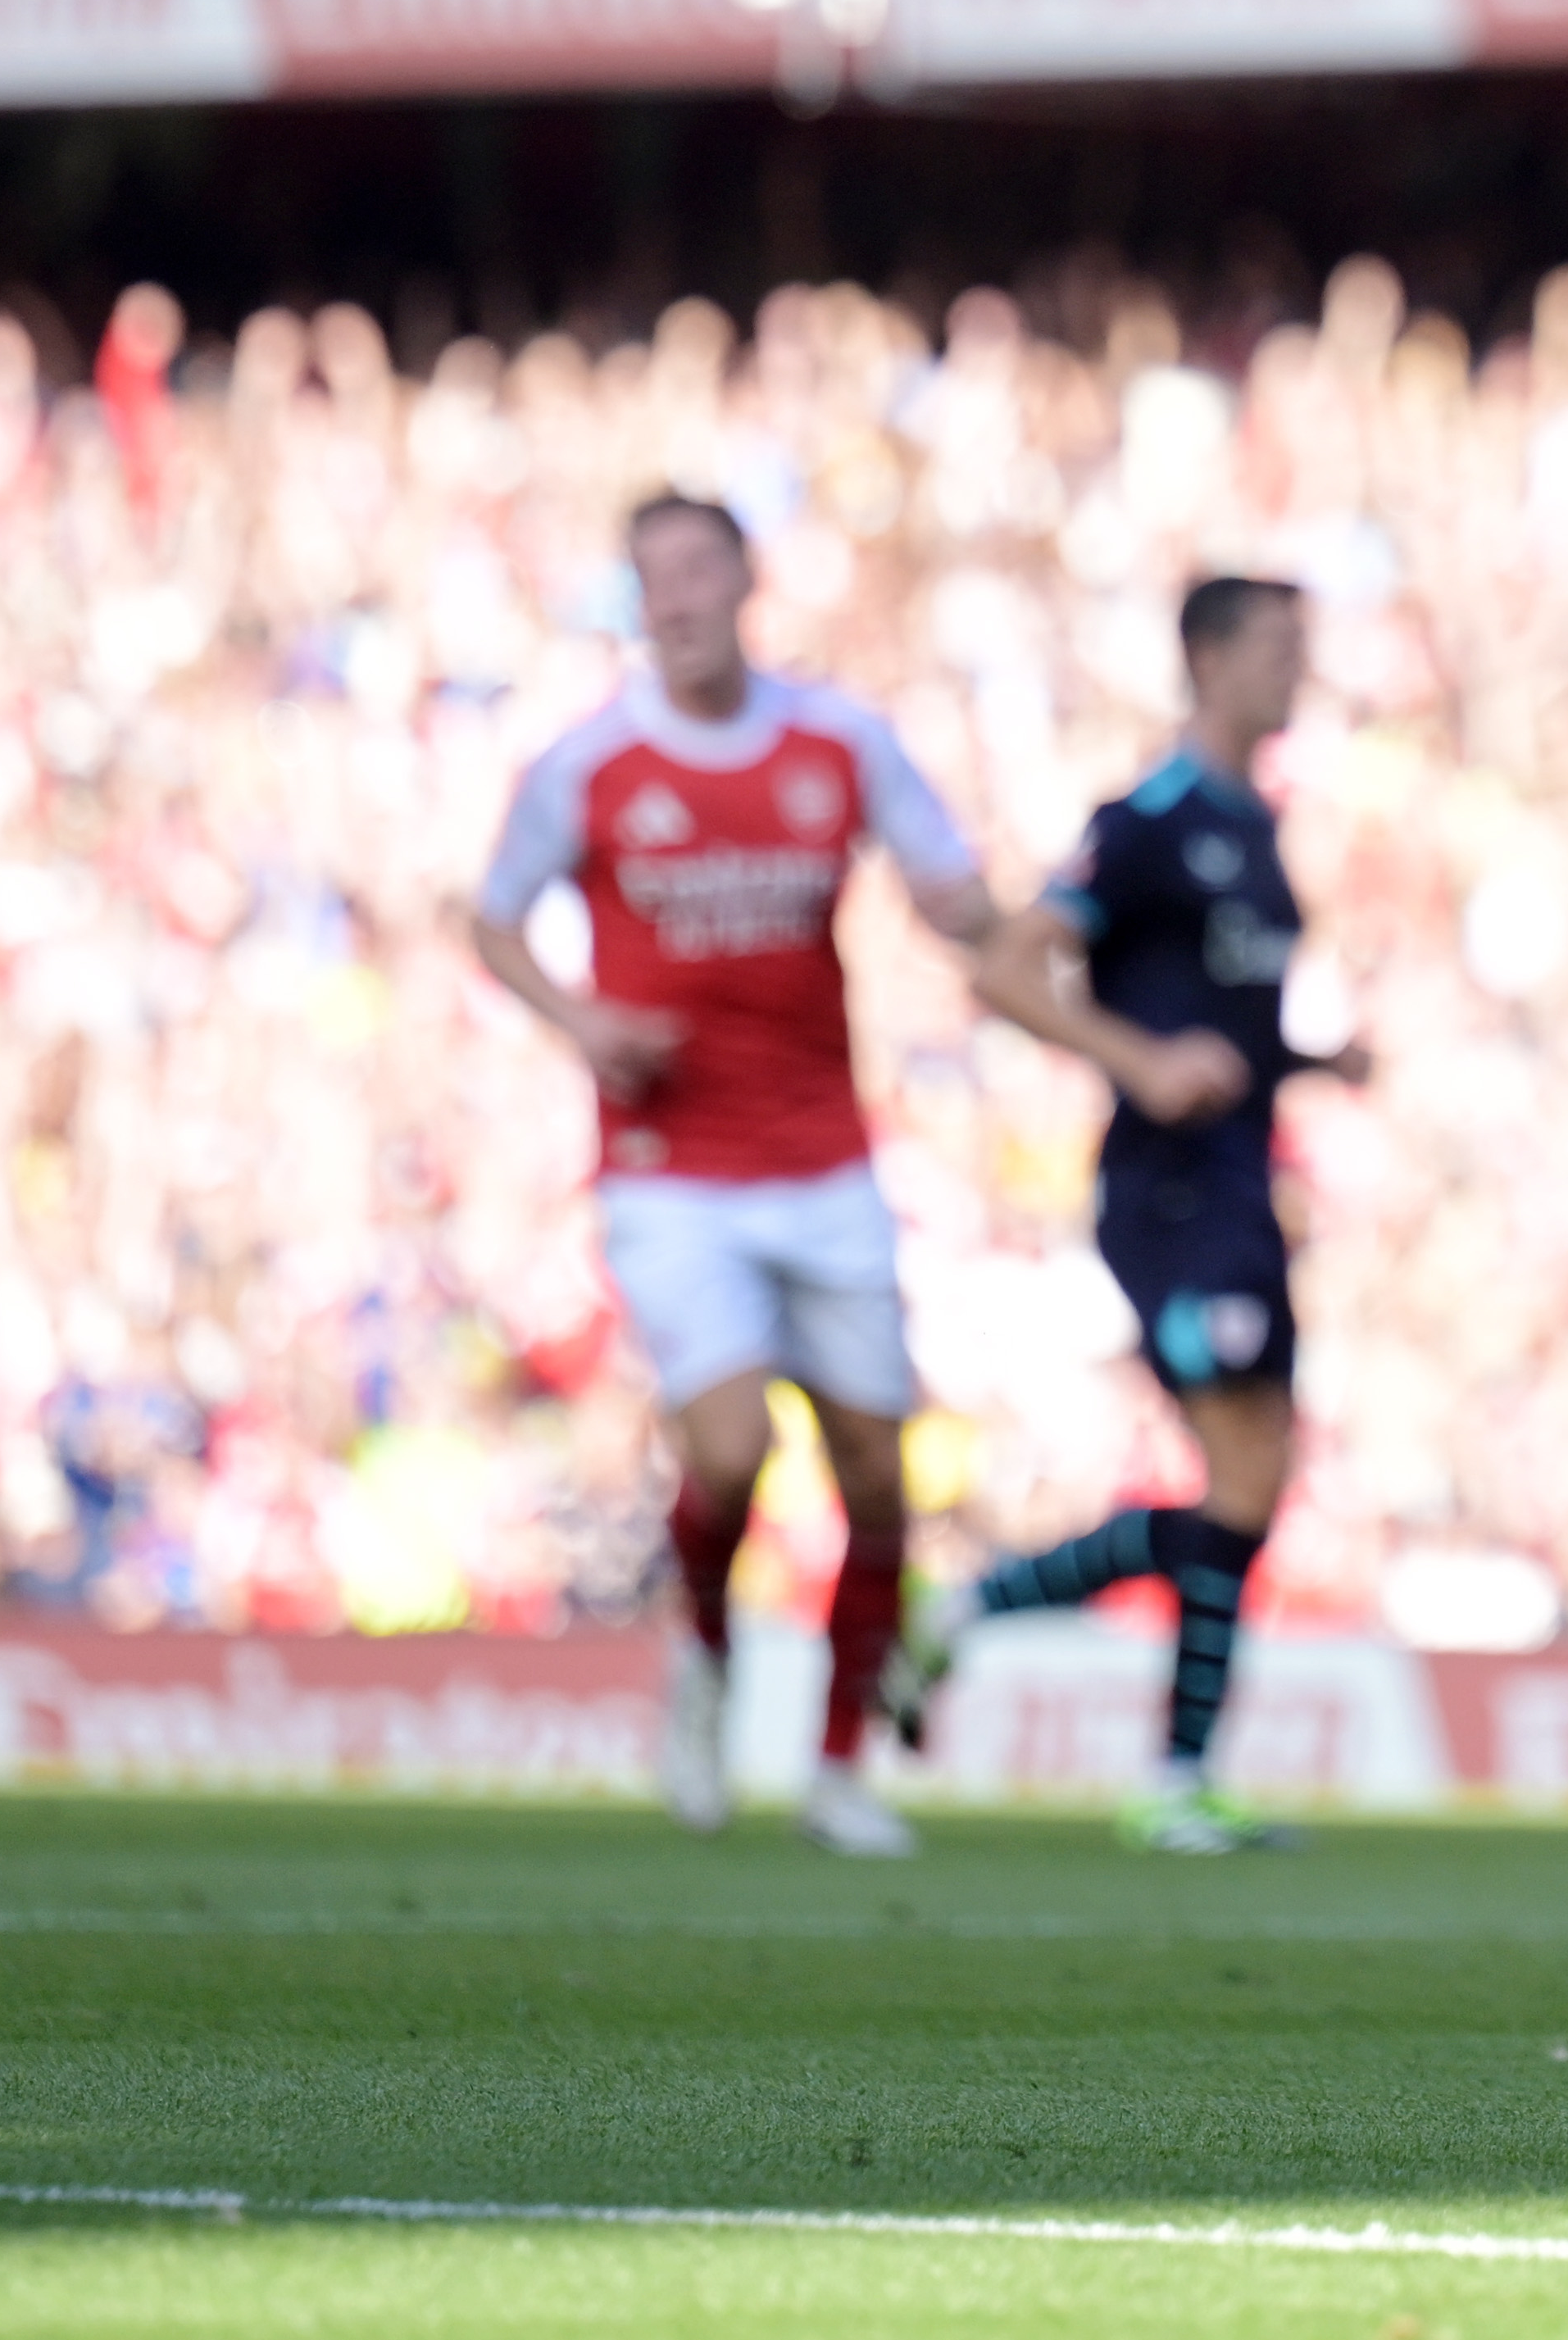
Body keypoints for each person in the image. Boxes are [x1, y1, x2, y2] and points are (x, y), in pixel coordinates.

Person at [472, 493, 997, 1857]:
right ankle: (703, 1663)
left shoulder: (840, 739)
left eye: (701, 566)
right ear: (636, 604)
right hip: (670, 1167)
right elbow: (492, 918)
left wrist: (995, 927)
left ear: (747, 578)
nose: (682, 597)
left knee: (878, 1479)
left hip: (824, 1156)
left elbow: (952, 883)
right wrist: (580, 1019)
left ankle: (835, 1766)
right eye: (655, 578)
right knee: (731, 1444)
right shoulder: (587, 764)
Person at [885, 575, 1363, 1851]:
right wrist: (1134, 1059)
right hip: (1166, 1194)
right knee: (1242, 1465)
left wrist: (1314, 1064)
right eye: (1274, 646)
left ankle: (996, 1628)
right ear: (1206, 658)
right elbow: (1006, 964)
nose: (1294, 669)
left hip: (1239, 1187)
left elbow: (1220, 1026)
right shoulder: (1148, 817)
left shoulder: (1253, 827)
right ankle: (1155, 1763)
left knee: (1254, 1477)